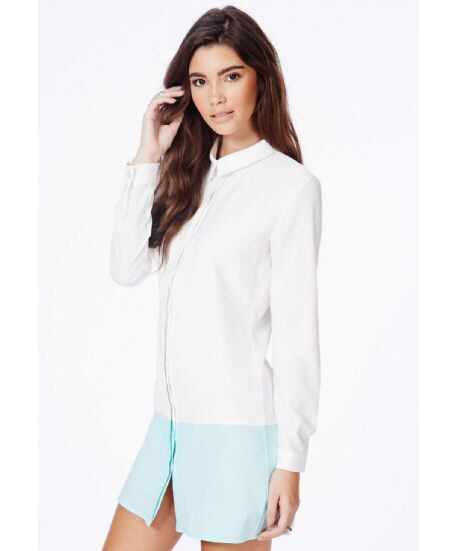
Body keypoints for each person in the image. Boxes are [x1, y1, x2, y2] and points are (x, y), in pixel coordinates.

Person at [102, 5, 322, 551]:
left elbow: (296, 336)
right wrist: (148, 154)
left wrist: (290, 463)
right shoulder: (185, 174)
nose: (215, 97)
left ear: (260, 79)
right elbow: (126, 268)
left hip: (237, 437)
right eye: (200, 81)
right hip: (169, 430)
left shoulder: (290, 188)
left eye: (231, 76)